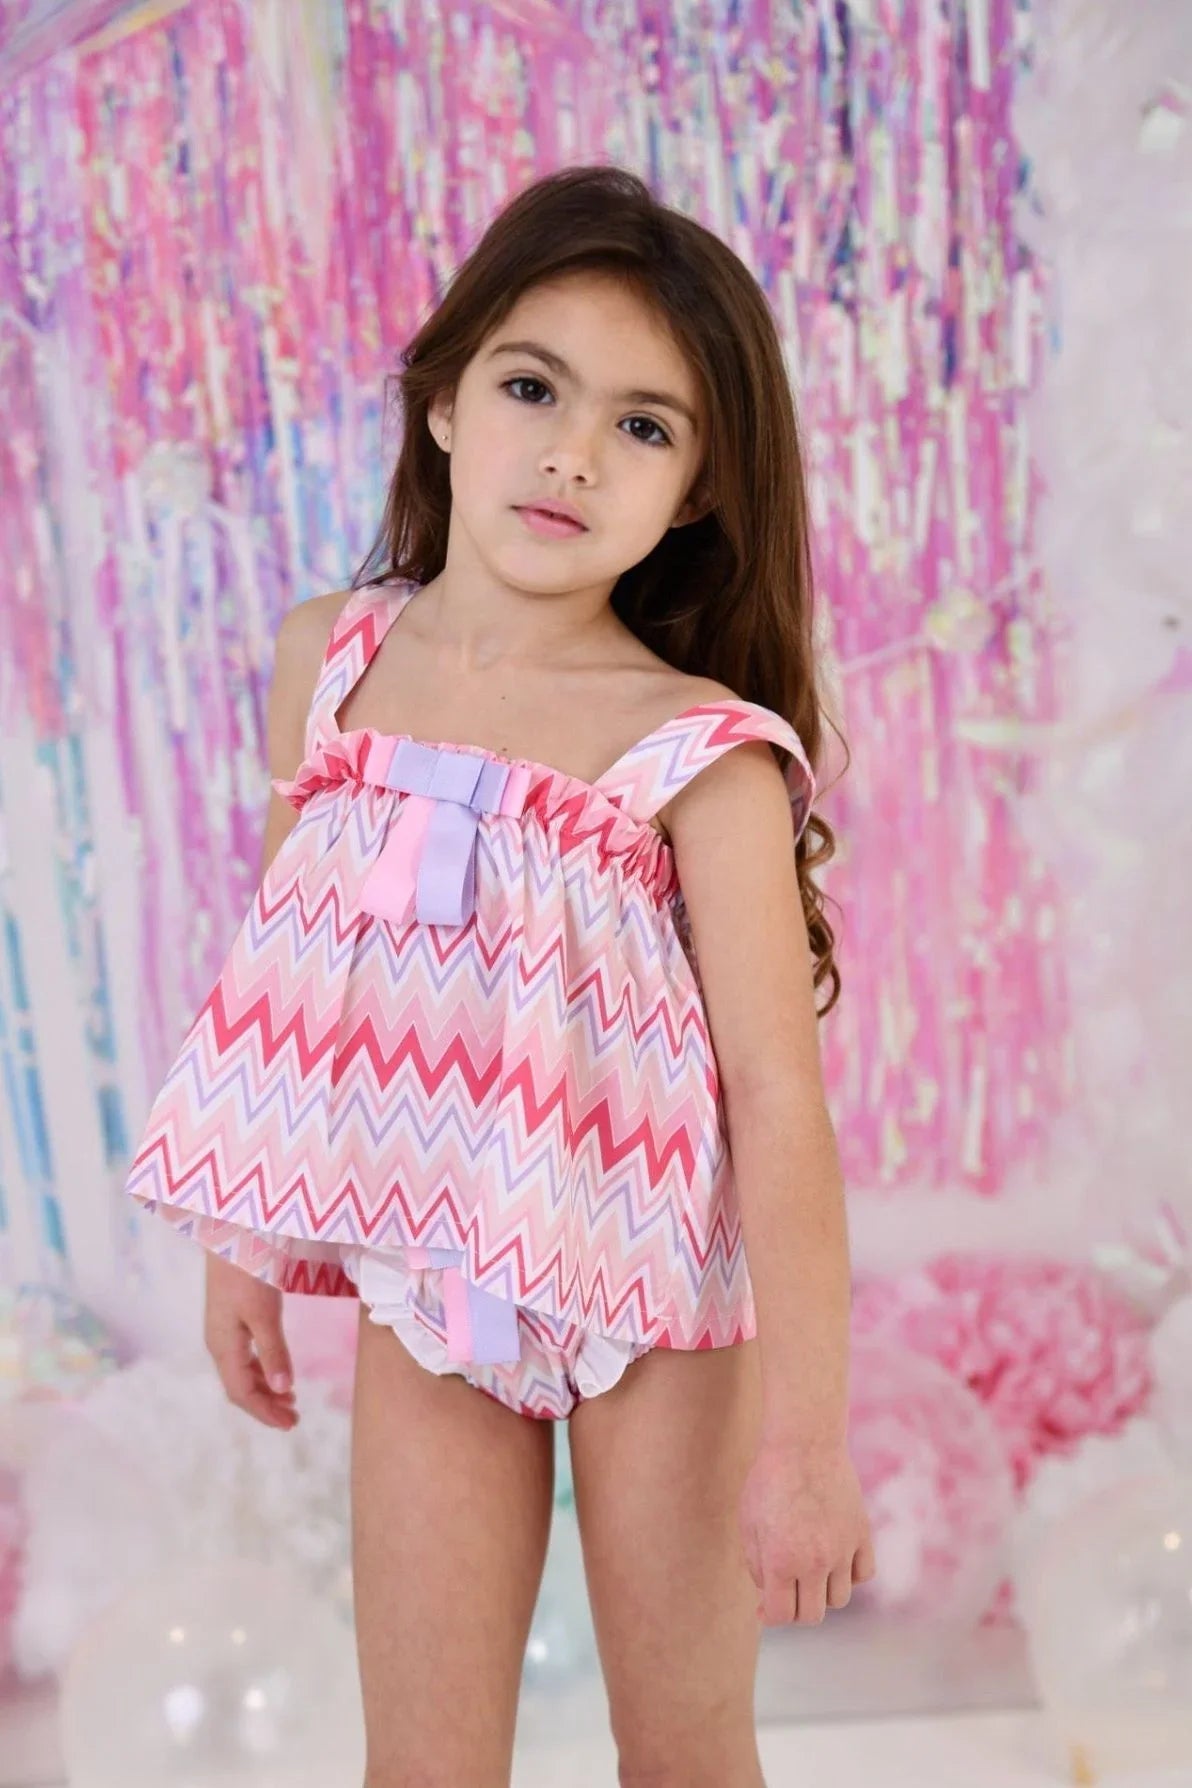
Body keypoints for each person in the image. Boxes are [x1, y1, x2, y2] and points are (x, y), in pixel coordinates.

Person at [123, 163, 875, 1788]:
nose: (574, 451)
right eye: (536, 387)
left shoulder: (699, 756)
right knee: (427, 1758)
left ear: (695, 495)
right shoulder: (334, 661)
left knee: (682, 1746)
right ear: (446, 398)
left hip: (655, 1309)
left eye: (646, 426)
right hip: (432, 1272)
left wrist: (806, 1440)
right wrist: (242, 1247)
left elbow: (779, 1111)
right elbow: (292, 986)